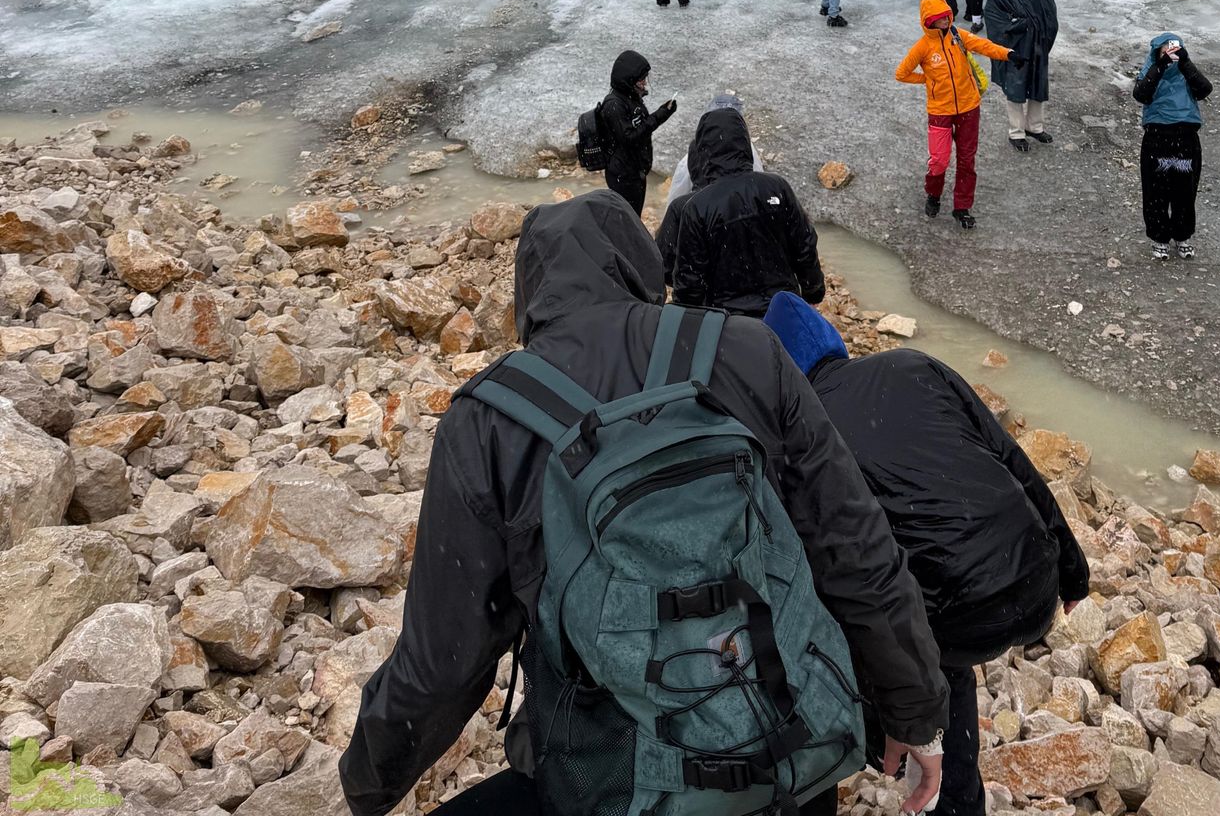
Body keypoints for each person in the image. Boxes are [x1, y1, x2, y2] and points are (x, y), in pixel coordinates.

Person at [340, 191, 949, 816]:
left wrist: (366, 787)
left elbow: (441, 662)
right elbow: (852, 543)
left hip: (614, 781)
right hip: (789, 754)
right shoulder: (747, 350)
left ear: (530, 294)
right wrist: (916, 710)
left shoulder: (486, 419)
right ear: (641, 265)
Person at [762, 291, 1089, 816]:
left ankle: (892, 755)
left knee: (903, 645)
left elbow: (830, 569)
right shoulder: (913, 364)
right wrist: (1072, 571)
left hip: (955, 623)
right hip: (1036, 583)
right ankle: (957, 800)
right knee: (933, 644)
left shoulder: (800, 428)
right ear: (835, 344)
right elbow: (1012, 459)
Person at [657, 103, 826, 316]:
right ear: (744, 143)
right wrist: (813, 291)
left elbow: (689, 279)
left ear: (704, 151)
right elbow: (804, 244)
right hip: (781, 309)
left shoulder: (697, 206)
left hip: (726, 320)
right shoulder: (777, 186)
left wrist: (689, 314)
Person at [895, 0, 1020, 229]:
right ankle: (933, 194)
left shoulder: (958, 35)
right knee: (939, 160)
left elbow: (983, 45)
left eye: (947, 15)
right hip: (940, 110)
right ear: (929, 21)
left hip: (969, 107)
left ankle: (962, 207)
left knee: (966, 159)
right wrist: (928, 80)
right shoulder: (922, 47)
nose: (945, 20)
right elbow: (901, 73)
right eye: (939, 18)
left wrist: (1008, 54)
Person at [1133, 32, 1213, 259]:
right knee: (1155, 191)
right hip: (1157, 138)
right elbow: (1141, 94)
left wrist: (1185, 63)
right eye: (1165, 50)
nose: (1170, 53)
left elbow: (1205, 89)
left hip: (1185, 138)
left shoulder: (1185, 71)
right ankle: (1159, 237)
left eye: (1174, 49)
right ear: (1157, 52)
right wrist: (1160, 66)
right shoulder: (1151, 70)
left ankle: (1182, 235)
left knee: (1185, 191)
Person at [982, 0, 1058, 151]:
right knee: (1015, 87)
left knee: (1037, 85)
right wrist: (1018, 25)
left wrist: (1044, 37)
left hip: (1038, 45)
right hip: (1015, 48)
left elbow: (1050, 13)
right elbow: (994, 19)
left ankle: (1034, 126)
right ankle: (1016, 132)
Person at [598, 50, 676, 215]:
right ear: (629, 80)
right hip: (623, 176)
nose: (645, 82)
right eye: (641, 79)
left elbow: (641, 127)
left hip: (635, 171)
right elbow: (630, 138)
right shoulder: (614, 105)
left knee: (633, 216)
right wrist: (659, 116)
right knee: (628, 219)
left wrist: (663, 112)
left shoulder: (631, 98)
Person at [664, 92, 765, 207]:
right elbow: (759, 187)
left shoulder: (693, 155)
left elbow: (675, 198)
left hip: (704, 211)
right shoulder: (749, 150)